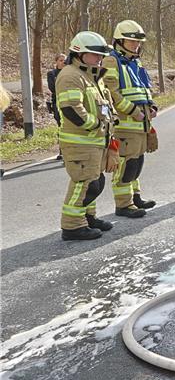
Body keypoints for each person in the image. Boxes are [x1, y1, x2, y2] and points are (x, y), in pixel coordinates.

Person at [55, 31, 118, 240]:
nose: (99, 59)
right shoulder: (70, 75)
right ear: (79, 53)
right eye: (95, 55)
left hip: (96, 141)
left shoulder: (92, 76)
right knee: (83, 183)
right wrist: (96, 125)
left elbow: (104, 106)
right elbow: (72, 109)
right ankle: (72, 226)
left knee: (95, 181)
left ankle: (88, 218)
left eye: (100, 55)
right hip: (81, 143)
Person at [102, 20, 156, 218]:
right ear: (119, 41)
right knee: (126, 165)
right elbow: (112, 93)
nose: (136, 45)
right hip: (126, 124)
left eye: (138, 42)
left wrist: (152, 106)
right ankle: (123, 204)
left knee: (137, 161)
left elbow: (144, 88)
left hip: (142, 122)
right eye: (132, 42)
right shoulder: (111, 61)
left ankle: (135, 197)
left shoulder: (136, 61)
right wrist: (133, 111)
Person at [47, 53, 67, 160]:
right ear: (56, 62)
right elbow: (52, 88)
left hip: (70, 102)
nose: (63, 62)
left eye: (65, 60)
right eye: (60, 60)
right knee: (61, 126)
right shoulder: (52, 74)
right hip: (57, 103)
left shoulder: (71, 73)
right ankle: (62, 150)